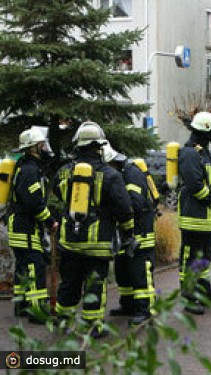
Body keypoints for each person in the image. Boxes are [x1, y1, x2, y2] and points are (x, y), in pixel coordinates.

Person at [53, 121, 135, 338]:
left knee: (69, 282)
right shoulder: (111, 175)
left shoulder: (63, 173)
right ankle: (92, 326)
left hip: (69, 240)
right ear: (99, 147)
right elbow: (124, 209)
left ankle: (63, 320)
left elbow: (58, 194)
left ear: (77, 146)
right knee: (95, 285)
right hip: (97, 243)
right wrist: (128, 233)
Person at [178, 111, 211, 315]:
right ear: (206, 129)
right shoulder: (190, 153)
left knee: (205, 258)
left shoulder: (206, 152)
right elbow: (194, 185)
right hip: (193, 218)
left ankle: (202, 292)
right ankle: (189, 297)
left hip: (207, 219)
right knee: (191, 258)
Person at [7, 127, 57, 323]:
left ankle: (22, 306)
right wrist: (50, 220)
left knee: (23, 268)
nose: (45, 148)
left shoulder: (25, 166)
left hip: (20, 227)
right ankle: (38, 313)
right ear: (34, 148)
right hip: (25, 229)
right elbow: (34, 203)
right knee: (35, 268)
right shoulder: (30, 170)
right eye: (42, 145)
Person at [103, 144, 157, 326]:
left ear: (113, 162)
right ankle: (127, 304)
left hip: (140, 230)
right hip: (126, 232)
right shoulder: (120, 173)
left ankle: (145, 309)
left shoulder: (132, 174)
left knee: (139, 270)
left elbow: (135, 202)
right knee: (122, 268)